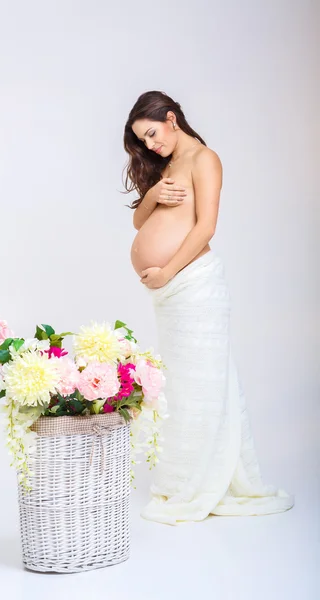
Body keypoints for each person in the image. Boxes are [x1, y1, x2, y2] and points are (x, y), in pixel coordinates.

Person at [122, 90, 295, 525]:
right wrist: (154, 192)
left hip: (194, 286)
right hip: (173, 293)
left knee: (200, 384)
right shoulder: (168, 167)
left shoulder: (205, 159)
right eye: (143, 141)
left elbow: (207, 226)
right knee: (180, 385)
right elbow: (140, 221)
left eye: (152, 134)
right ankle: (184, 475)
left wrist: (167, 273)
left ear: (171, 118)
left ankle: (197, 481)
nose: (150, 146)